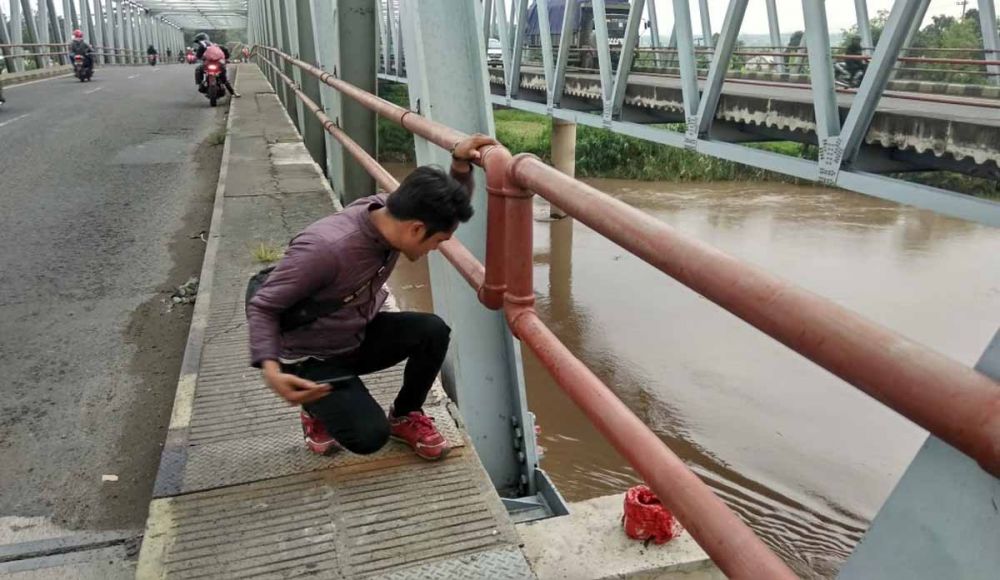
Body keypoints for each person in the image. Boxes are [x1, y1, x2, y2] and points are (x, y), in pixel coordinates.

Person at [246, 134, 498, 460]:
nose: (437, 248)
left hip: (353, 332)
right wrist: (271, 369)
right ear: (417, 230)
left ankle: (405, 413)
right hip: (311, 356)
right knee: (369, 437)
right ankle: (315, 410)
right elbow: (264, 305)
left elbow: (441, 207)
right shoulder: (326, 248)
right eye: (438, 241)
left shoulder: (392, 213)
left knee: (433, 331)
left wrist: (460, 164)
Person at [192, 32, 240, 98]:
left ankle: (200, 84)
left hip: (208, 65)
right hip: (218, 64)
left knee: (198, 69)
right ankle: (233, 93)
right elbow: (225, 52)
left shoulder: (202, 47)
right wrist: (226, 58)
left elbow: (198, 56)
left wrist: (199, 58)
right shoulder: (215, 45)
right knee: (224, 78)